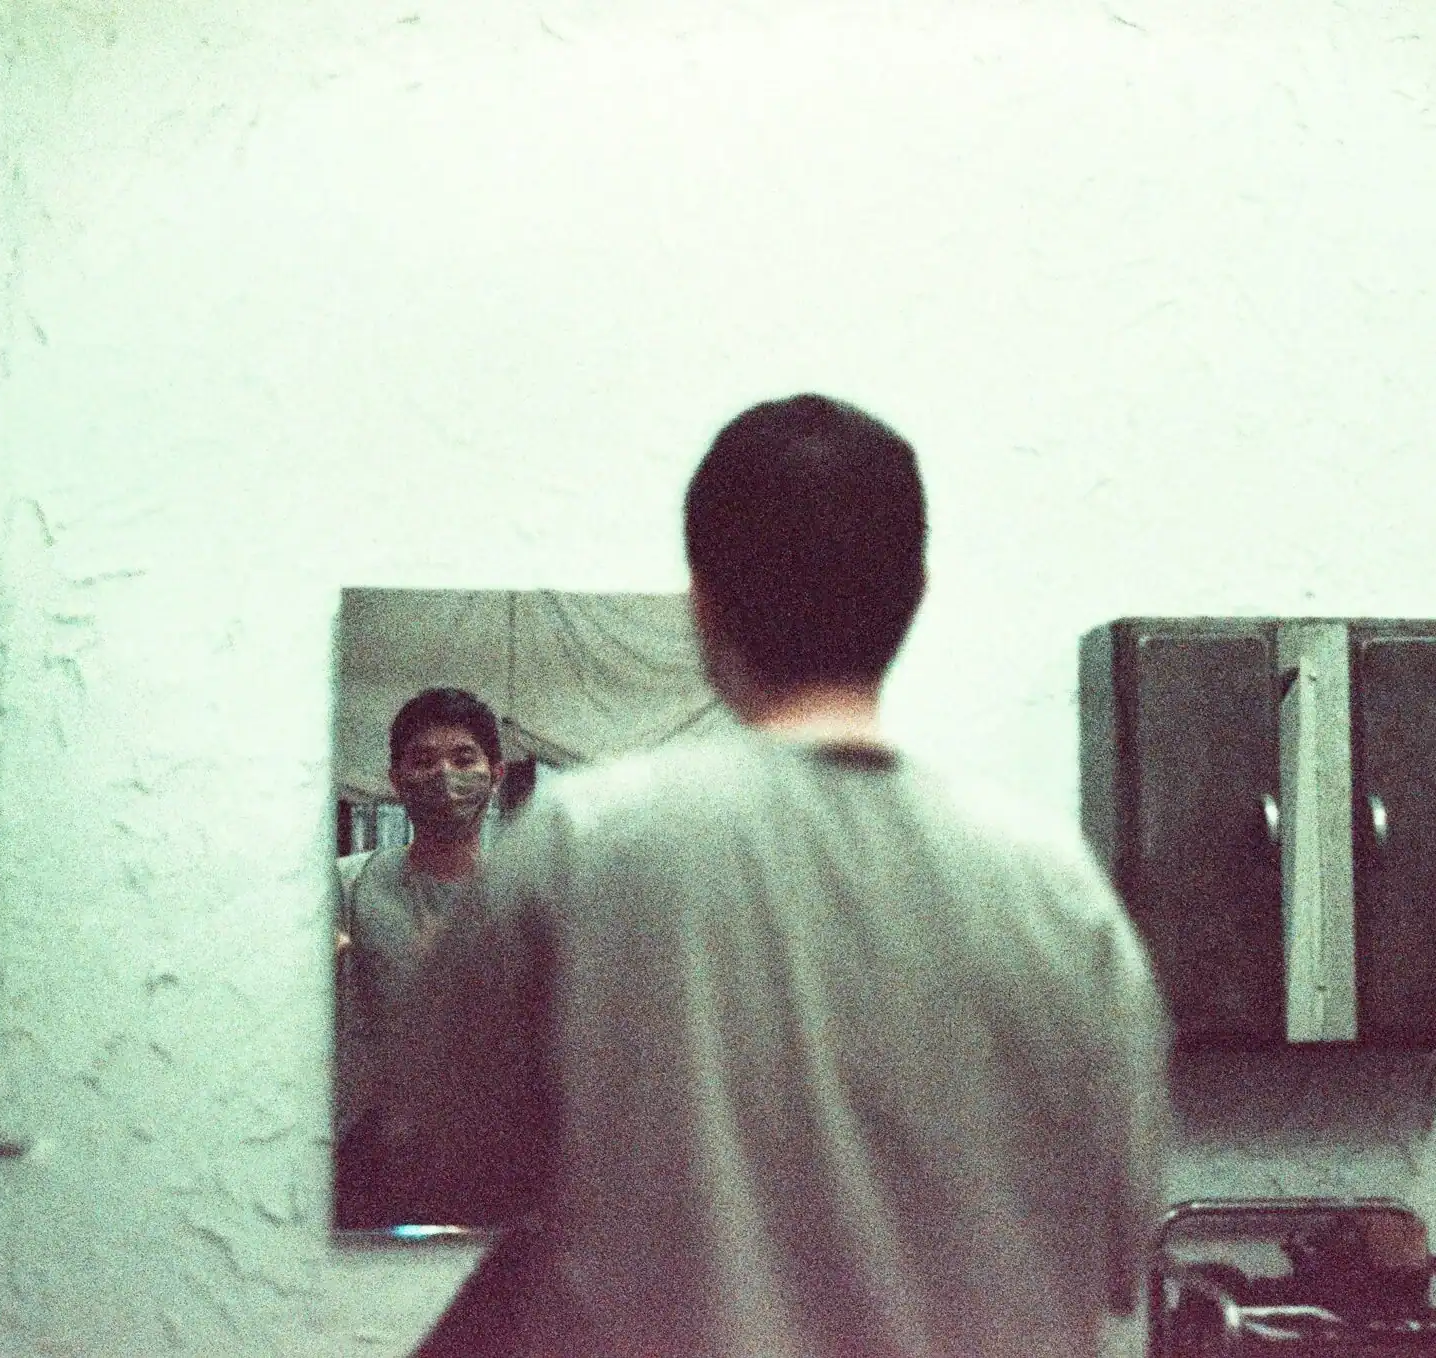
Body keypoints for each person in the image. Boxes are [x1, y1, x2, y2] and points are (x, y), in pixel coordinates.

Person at [392, 395, 1172, 1355]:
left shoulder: (578, 845)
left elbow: (446, 1168)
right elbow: (1122, 1244)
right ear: (916, 590)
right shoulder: (1058, 889)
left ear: (703, 601)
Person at [334, 686, 506, 1229]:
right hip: (372, 1149)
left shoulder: (529, 892)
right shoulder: (346, 886)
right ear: (396, 779)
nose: (444, 776)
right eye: (423, 760)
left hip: (492, 1151)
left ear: (495, 773)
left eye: (463, 759)